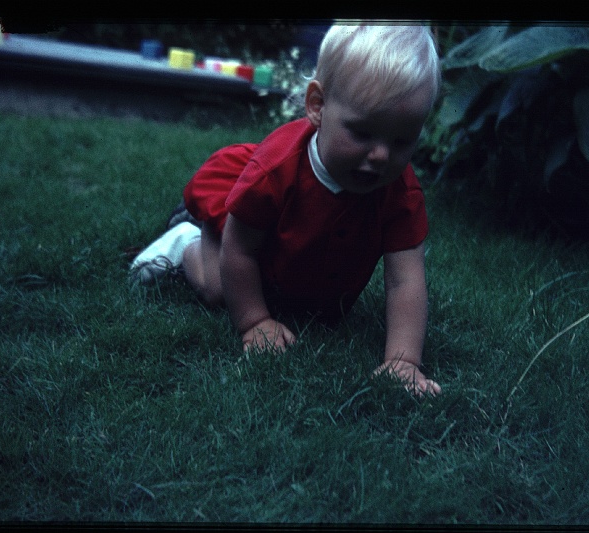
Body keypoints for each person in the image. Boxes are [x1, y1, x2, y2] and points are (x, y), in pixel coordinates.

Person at [130, 23, 442, 396]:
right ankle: (187, 244)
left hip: (296, 258)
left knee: (310, 307)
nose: (381, 156)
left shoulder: (398, 191)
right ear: (317, 106)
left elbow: (405, 279)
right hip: (243, 233)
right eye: (361, 133)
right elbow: (242, 248)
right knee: (219, 287)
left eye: (401, 140)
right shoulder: (276, 171)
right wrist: (255, 322)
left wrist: (403, 361)